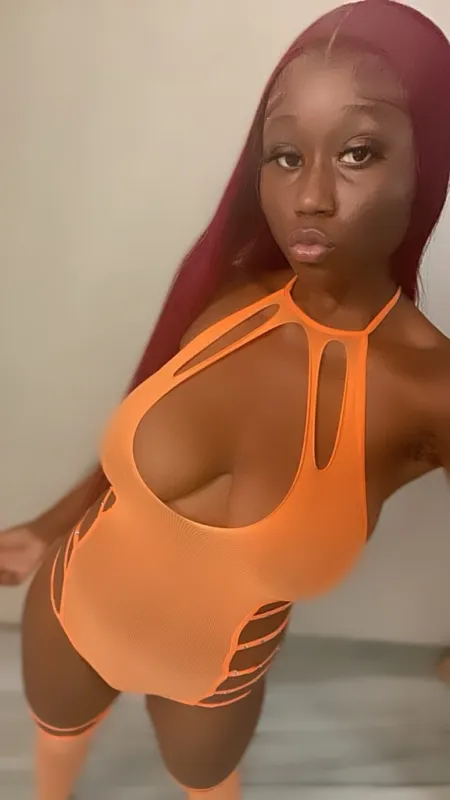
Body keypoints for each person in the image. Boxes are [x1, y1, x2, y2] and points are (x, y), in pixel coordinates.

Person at [1, 1, 450, 798]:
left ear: (427, 164)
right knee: (49, 773)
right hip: (66, 612)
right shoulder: (230, 297)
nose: (310, 197)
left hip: (211, 679)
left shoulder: (429, 390)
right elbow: (124, 470)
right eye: (285, 155)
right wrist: (45, 528)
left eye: (358, 151)